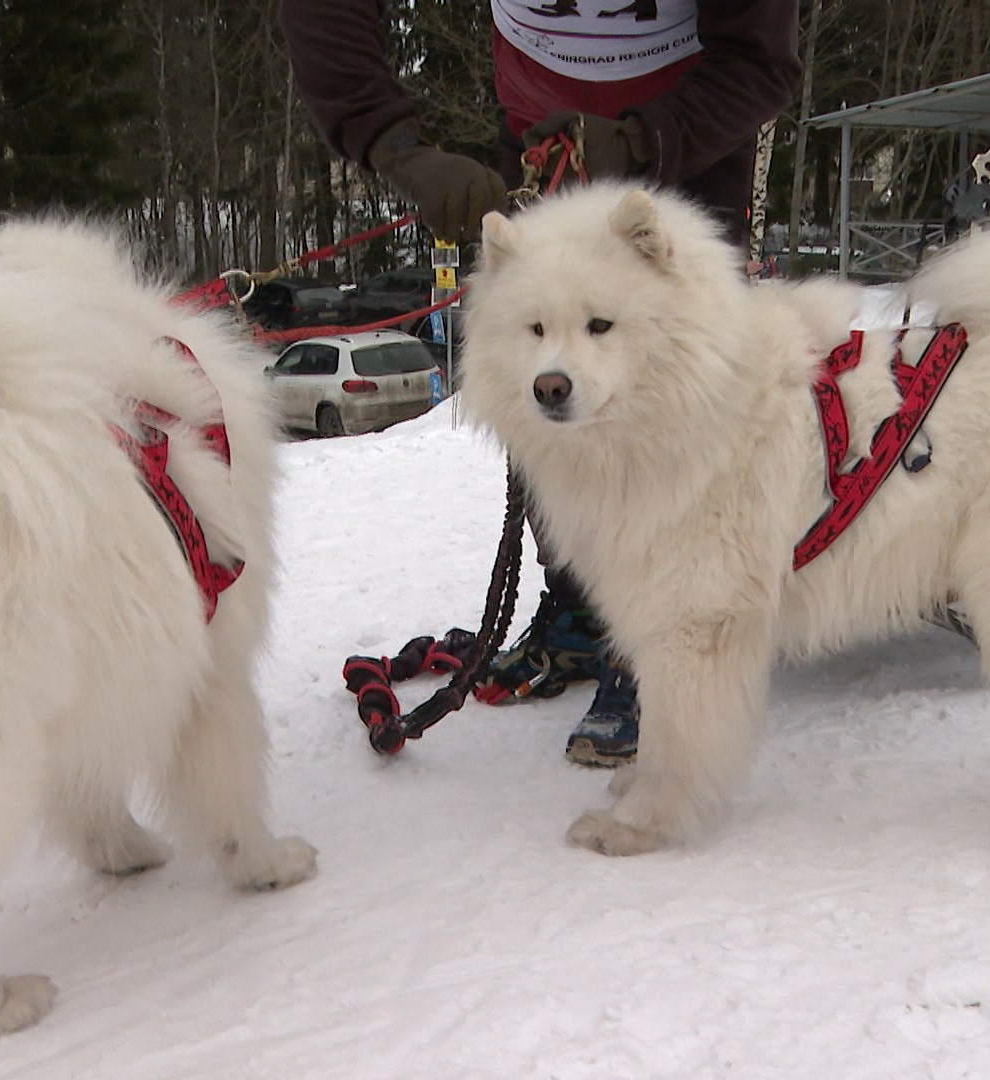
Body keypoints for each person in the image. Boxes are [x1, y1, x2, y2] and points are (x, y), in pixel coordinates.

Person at [276, 0, 802, 765]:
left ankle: (665, 632)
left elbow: (760, 59)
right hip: (538, 120)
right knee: (552, 370)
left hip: (692, 122)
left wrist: (647, 139)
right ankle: (584, 604)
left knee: (679, 394)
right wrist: (397, 148)